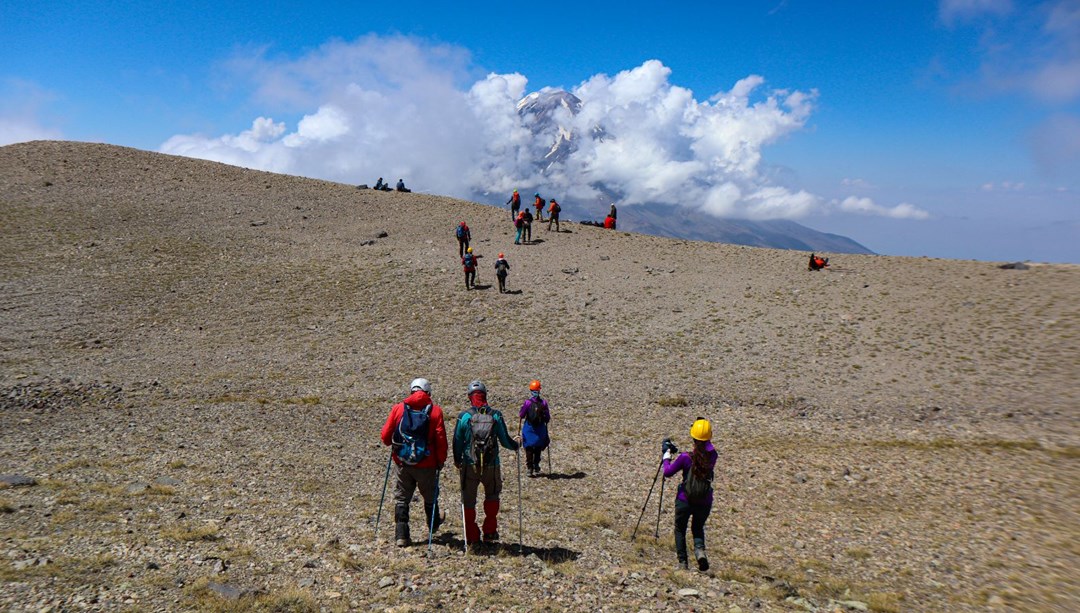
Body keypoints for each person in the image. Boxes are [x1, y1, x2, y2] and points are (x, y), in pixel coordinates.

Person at [379, 378, 449, 547]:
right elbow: (441, 440)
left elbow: (385, 437)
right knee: (430, 495)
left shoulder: (398, 408)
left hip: (403, 462)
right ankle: (433, 525)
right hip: (428, 463)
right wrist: (440, 461)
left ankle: (401, 535)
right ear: (428, 393)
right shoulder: (435, 411)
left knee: (402, 498)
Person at [453, 380, 520, 547]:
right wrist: (516, 445)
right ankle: (489, 532)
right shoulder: (495, 415)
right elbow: (505, 440)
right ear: (485, 395)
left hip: (470, 465)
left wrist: (457, 460)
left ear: (470, 397)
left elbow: (457, 442)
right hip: (492, 465)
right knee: (492, 496)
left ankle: (472, 536)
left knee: (468, 501)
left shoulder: (464, 416)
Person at [661, 418, 718, 571]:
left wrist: (666, 456)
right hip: (704, 500)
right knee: (697, 528)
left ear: (693, 437)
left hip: (684, 499)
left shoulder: (685, 458)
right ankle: (700, 552)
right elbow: (708, 448)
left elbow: (667, 472)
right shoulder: (712, 457)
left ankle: (683, 563)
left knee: (680, 529)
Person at [517, 380, 550, 477]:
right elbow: (547, 418)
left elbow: (521, 415)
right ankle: (536, 465)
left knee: (529, 448)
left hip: (529, 429)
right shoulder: (544, 403)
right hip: (540, 429)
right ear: (539, 390)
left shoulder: (527, 403)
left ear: (531, 390)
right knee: (538, 447)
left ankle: (529, 468)